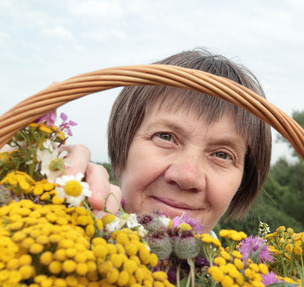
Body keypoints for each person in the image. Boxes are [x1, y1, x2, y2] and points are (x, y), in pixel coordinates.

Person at [64, 49, 272, 233]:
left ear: (243, 182)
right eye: (166, 137)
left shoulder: (242, 275)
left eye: (221, 155)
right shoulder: (67, 228)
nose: (187, 177)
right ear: (121, 151)